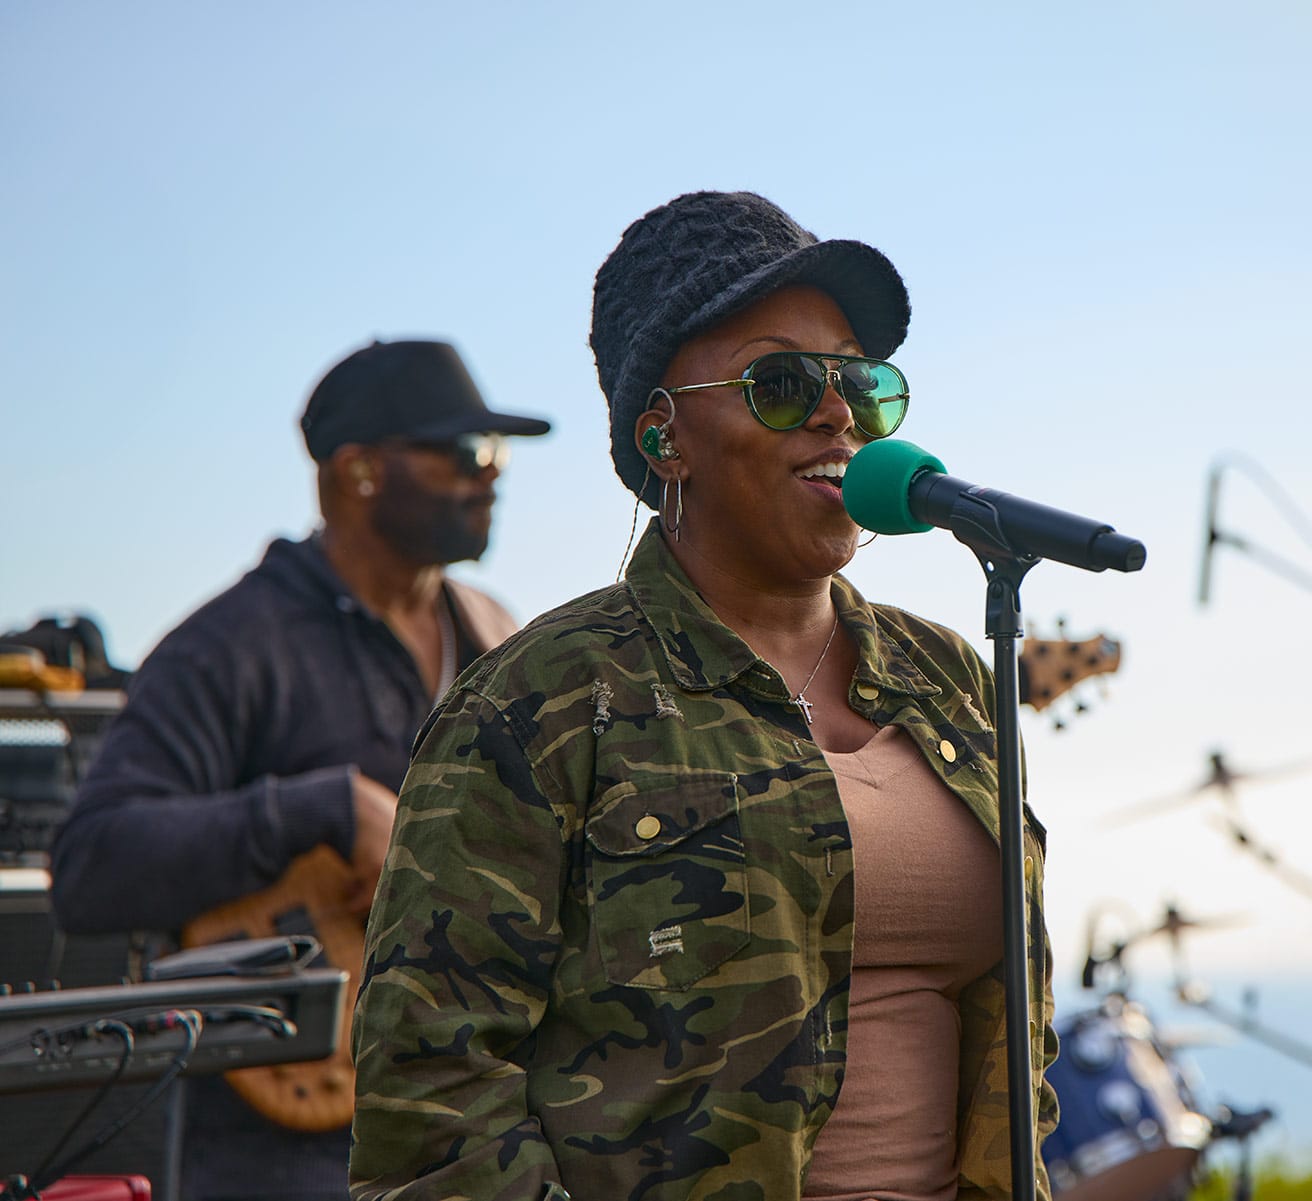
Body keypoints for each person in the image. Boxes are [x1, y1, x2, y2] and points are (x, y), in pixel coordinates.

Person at [349, 191, 1059, 1201]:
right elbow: (430, 1091)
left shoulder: (946, 676)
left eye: (858, 380)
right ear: (664, 437)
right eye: (780, 382)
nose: (836, 411)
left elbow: (1013, 1050)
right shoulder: (540, 697)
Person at [50, 339, 551, 1201]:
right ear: (357, 471)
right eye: (463, 453)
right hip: (285, 1154)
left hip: (475, 1125)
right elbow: (92, 862)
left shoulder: (496, 635)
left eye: (498, 453)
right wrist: (324, 809)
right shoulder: (233, 646)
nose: (491, 475)